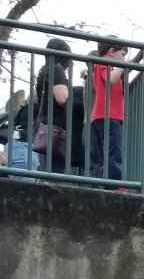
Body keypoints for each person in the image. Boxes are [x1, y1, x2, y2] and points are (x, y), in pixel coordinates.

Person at [86, 38, 131, 188]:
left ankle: (101, 186)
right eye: (122, 54)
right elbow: (110, 79)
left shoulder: (99, 66)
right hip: (109, 116)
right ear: (112, 51)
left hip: (101, 116)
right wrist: (123, 66)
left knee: (103, 157)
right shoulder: (104, 65)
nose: (123, 58)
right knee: (114, 153)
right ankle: (116, 187)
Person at [29, 39, 75, 175]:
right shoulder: (56, 70)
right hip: (55, 128)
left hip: (44, 127)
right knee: (55, 173)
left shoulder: (44, 71)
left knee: (46, 170)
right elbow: (62, 98)